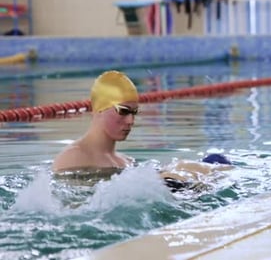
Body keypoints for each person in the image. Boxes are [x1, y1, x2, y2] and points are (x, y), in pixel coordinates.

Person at [52, 70, 232, 191]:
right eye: (123, 111)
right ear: (98, 109)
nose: (131, 121)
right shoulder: (73, 158)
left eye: (134, 112)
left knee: (208, 164)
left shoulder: (126, 161)